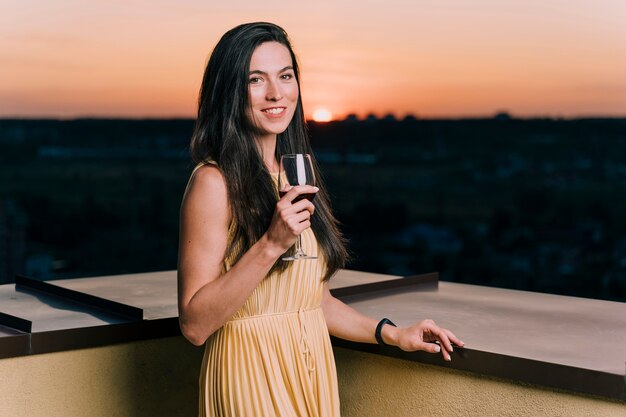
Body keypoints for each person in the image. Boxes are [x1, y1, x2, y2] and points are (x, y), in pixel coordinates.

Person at [177, 22, 464, 417]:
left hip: (309, 374)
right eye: (255, 80)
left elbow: (313, 302)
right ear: (229, 92)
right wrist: (271, 244)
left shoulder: (295, 173)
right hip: (250, 377)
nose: (276, 93)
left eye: (285, 75)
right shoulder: (214, 182)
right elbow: (194, 325)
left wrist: (395, 334)